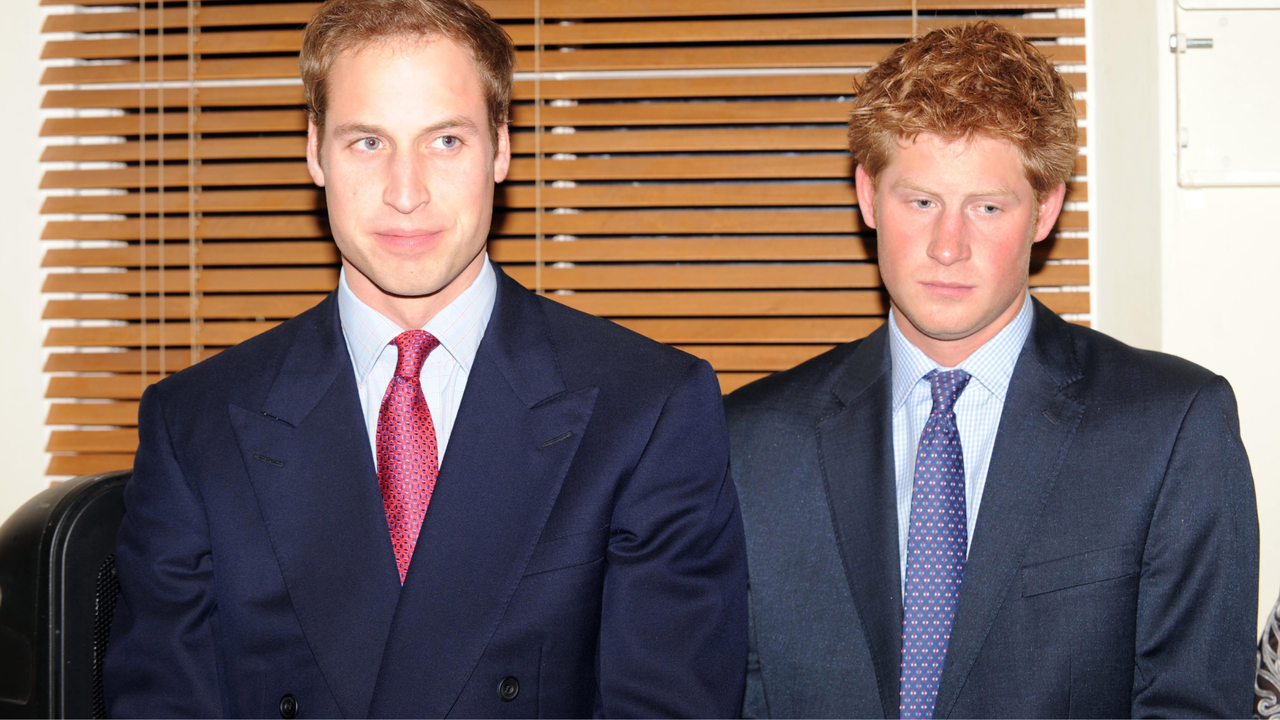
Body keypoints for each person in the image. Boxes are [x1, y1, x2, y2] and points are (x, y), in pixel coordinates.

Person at [103, 0, 747, 716]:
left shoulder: (649, 408)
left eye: (445, 141)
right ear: (315, 151)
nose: (405, 194)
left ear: (500, 147)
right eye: (367, 143)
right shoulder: (193, 425)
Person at [726, 21, 1258, 719]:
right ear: (867, 196)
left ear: (1046, 208)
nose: (949, 246)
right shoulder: (751, 442)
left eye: (986, 206)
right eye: (921, 202)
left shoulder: (1171, 429)